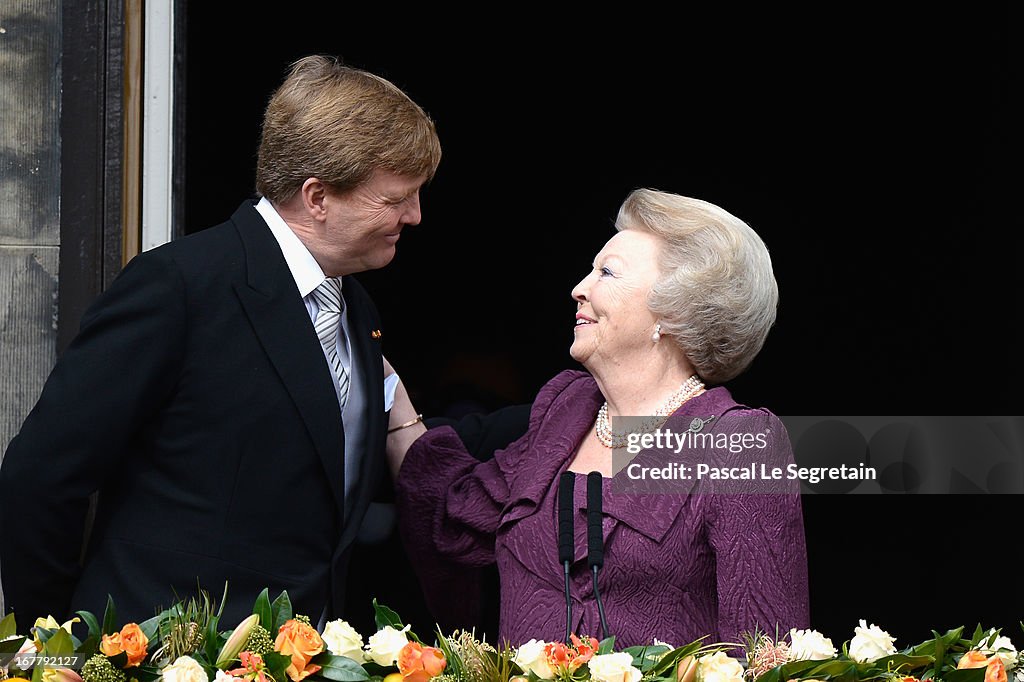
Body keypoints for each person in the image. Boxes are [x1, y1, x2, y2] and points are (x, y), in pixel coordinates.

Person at [0, 55, 441, 624]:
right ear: (317, 196)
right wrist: (58, 637)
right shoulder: (180, 286)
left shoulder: (356, 307)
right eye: (396, 197)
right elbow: (42, 476)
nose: (416, 215)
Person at [384, 188, 809, 648]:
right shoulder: (565, 410)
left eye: (606, 272)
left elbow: (769, 654)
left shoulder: (739, 441)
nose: (579, 288)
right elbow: (453, 517)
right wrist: (387, 391)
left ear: (673, 308)